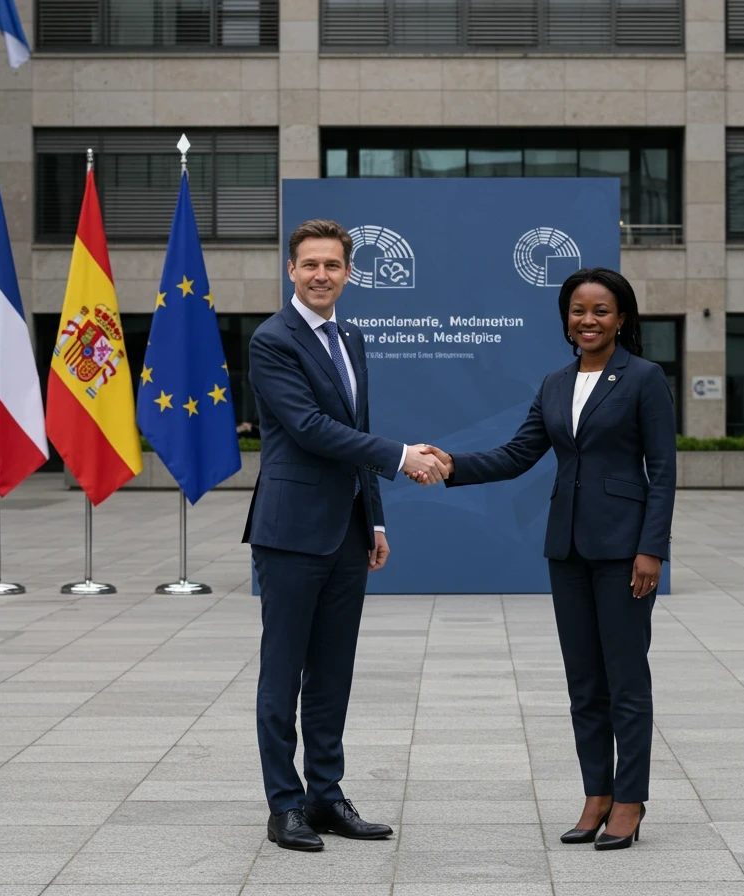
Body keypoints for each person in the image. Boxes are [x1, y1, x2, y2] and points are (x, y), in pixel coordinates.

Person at [409, 267, 676, 850]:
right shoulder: (555, 383)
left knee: (626, 681)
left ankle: (630, 800)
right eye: (578, 310)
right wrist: (453, 463)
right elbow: (518, 454)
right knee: (584, 683)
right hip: (567, 550)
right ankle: (596, 794)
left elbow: (664, 472)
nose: (588, 320)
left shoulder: (645, 379)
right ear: (566, 319)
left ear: (622, 318)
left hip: (625, 552)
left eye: (601, 311)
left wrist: (652, 549)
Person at [243, 219, 448, 851]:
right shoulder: (272, 340)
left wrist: (375, 516)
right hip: (291, 530)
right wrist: (404, 454)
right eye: (310, 265)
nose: (322, 275)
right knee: (284, 674)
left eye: (333, 265)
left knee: (333, 673)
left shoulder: (350, 337)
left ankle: (325, 796)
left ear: (349, 272)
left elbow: (358, 426)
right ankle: (285, 806)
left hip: (347, 531)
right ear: (291, 271)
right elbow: (308, 428)